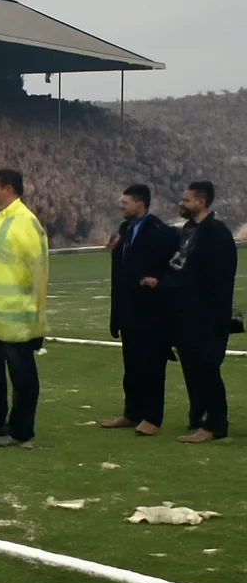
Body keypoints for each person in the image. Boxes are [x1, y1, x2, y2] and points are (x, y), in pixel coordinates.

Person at [0, 169, 49, 448]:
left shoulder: (27, 223)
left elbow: (39, 272)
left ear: (10, 189)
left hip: (16, 316)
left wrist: (38, 318)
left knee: (22, 375)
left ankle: (21, 431)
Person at [101, 184, 181, 436]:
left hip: (151, 310)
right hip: (128, 310)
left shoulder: (162, 232)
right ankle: (131, 412)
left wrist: (160, 281)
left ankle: (152, 417)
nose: (121, 206)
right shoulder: (125, 230)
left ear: (140, 203)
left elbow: (177, 265)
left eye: (125, 202)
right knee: (132, 365)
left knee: (152, 365)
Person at [162, 181, 238, 443]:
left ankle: (216, 424)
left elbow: (218, 279)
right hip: (187, 315)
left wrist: (212, 316)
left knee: (207, 370)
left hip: (206, 316)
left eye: (186, 200)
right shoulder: (190, 230)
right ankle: (199, 416)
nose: (181, 204)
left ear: (201, 203)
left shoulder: (216, 233)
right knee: (193, 369)